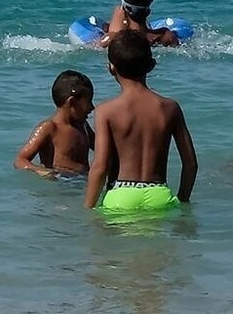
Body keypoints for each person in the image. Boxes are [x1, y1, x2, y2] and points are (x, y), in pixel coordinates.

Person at [84, 30, 197, 210]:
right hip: (159, 195)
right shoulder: (170, 107)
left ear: (111, 68)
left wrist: (88, 209)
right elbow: (190, 164)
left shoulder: (106, 111)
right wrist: (183, 200)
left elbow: (100, 167)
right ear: (151, 65)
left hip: (121, 197)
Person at [14, 70, 95, 178]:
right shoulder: (49, 128)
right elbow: (20, 160)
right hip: (62, 180)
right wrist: (40, 171)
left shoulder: (83, 125)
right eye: (89, 101)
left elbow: (101, 147)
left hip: (84, 179)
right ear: (71, 102)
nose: (92, 107)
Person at [99, 0, 179, 48]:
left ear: (124, 12)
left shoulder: (114, 39)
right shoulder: (165, 36)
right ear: (148, 12)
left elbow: (99, 45)